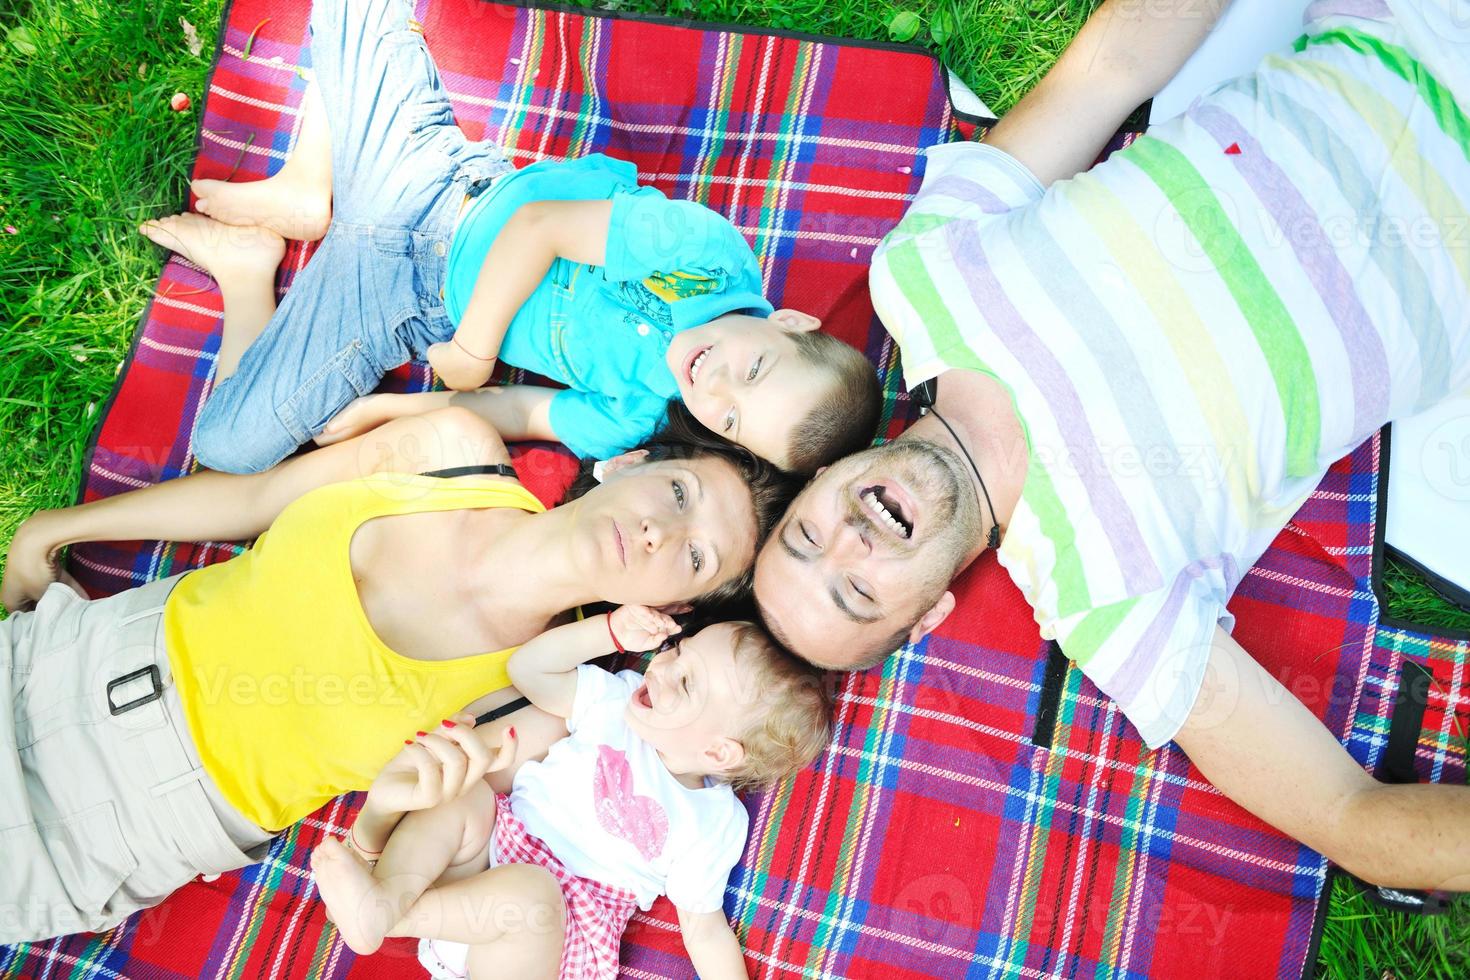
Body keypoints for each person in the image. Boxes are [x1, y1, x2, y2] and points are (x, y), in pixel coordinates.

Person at [754, 0, 1470, 892]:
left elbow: (1112, 65)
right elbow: (1350, 819)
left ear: (818, 476)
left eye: (806, 536)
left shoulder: (919, 277)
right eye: (857, 591)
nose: (850, 542)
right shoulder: (1107, 601)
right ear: (926, 615)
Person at [0, 402, 792, 944]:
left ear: (673, 609)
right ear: (628, 464)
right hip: (76, 651)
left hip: (116, 824)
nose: (661, 530)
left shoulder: (536, 705)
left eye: (695, 556)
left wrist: (378, 818)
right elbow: (256, 498)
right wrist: (50, 532)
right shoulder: (451, 450)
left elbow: (402, 845)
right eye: (679, 491)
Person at [139, 0, 880, 476]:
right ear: (788, 322)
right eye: (754, 371)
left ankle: (248, 273)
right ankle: (310, 183)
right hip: (437, 187)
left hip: (401, 304)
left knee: (229, 445)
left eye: (729, 420)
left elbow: (515, 412)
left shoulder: (641, 408)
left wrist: (382, 411)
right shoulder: (708, 262)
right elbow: (541, 226)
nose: (712, 385)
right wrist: (472, 353)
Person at [310, 605, 829, 980]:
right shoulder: (616, 702)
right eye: (676, 649)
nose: (663, 666)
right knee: (466, 797)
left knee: (532, 892)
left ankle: (388, 916)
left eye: (688, 683)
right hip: (485, 864)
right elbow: (529, 670)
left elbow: (705, 929)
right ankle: (382, 899)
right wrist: (610, 632)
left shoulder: (713, 822)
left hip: (555, 932)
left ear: (719, 753)